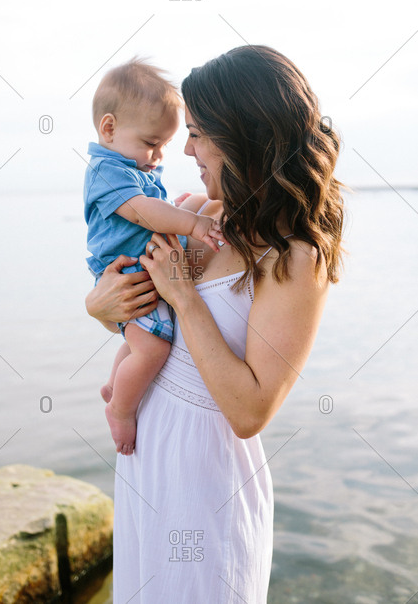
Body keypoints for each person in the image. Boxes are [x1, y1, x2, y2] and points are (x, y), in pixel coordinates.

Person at [85, 45, 345, 603]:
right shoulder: (201, 215)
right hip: (147, 464)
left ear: (245, 136)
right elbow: (153, 325)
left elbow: (250, 411)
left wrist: (187, 299)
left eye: (200, 133)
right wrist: (99, 308)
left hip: (208, 485)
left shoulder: (296, 257)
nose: (186, 149)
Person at [84, 58, 225, 456]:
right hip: (128, 271)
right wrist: (191, 224)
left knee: (136, 344)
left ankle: (116, 385)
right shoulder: (106, 172)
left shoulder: (130, 166)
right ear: (109, 128)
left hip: (140, 275)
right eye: (151, 144)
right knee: (154, 349)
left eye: (164, 144)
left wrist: (180, 210)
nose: (161, 155)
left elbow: (155, 204)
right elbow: (142, 210)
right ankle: (122, 410)